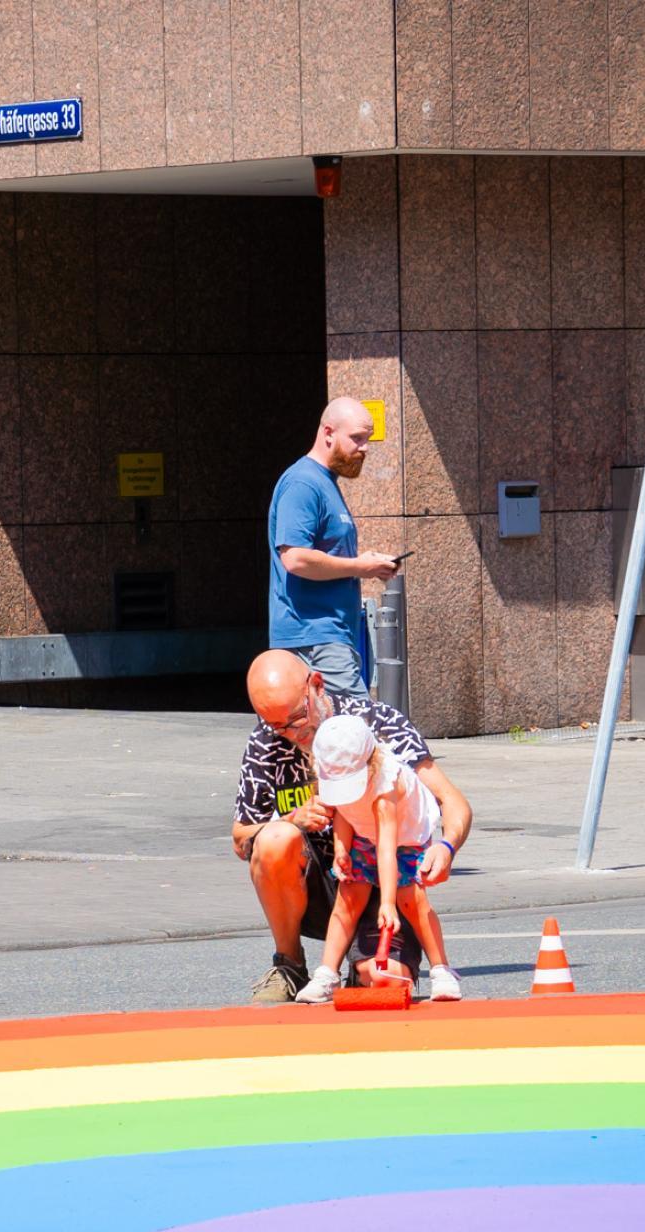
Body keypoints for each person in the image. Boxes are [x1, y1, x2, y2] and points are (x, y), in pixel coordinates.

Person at [231, 649, 474, 1003]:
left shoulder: (377, 724)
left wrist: (446, 847)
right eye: (274, 724)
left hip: (384, 879)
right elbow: (241, 838)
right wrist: (293, 819)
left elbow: (454, 803)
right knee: (274, 839)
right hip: (319, 884)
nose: (289, 733)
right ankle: (289, 964)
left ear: (316, 685)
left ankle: (370, 965)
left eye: (296, 718)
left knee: (382, 980)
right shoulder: (265, 743)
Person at [295, 715, 461, 1003]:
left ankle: (441, 970)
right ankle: (327, 974)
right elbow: (344, 811)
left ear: (368, 762)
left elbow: (387, 846)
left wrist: (387, 903)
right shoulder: (331, 767)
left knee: (411, 899)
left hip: (406, 837)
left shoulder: (387, 782)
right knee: (348, 898)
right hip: (364, 833)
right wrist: (342, 849)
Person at [267, 397, 400, 696]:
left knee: (321, 737)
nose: (364, 447)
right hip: (315, 637)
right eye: (356, 438)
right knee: (356, 730)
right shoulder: (303, 483)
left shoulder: (325, 482)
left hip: (329, 635)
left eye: (367, 439)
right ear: (328, 433)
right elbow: (296, 559)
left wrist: (370, 564)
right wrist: (360, 566)